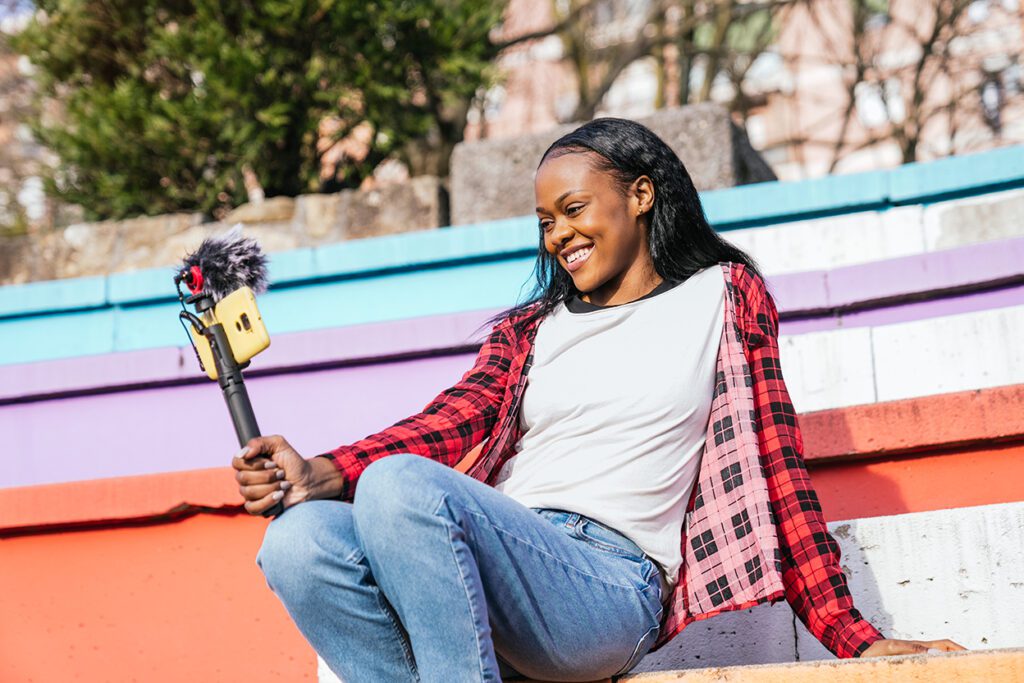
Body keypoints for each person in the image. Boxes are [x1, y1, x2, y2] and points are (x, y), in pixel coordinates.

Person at [233, 118, 964, 682]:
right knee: (299, 542)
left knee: (398, 485)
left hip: (606, 585)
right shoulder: (531, 330)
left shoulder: (724, 296)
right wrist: (323, 471)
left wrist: (856, 637)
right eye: (546, 221)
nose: (559, 236)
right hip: (495, 557)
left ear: (641, 193)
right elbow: (448, 423)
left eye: (574, 208)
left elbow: (778, 469)